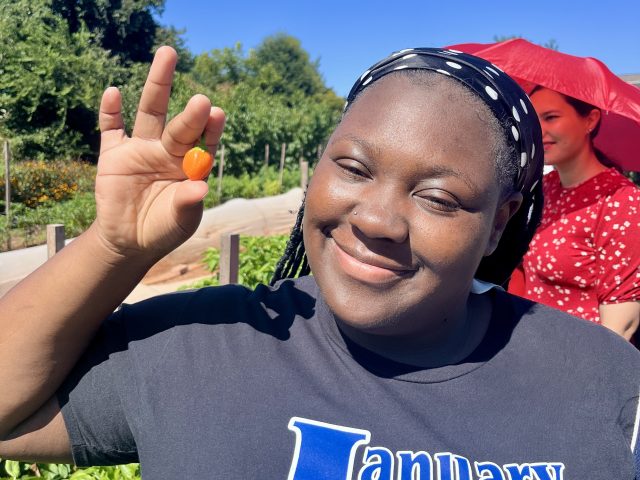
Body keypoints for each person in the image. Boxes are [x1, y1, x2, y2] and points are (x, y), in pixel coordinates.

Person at [1, 46, 640, 479]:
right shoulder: (206, 343)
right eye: (354, 168)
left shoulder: (600, 379)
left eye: (439, 197)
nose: (376, 220)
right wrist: (114, 247)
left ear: (498, 223)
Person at [509, 86, 640, 341]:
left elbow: (619, 328)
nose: (539, 130)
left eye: (551, 117)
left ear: (590, 120)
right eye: (535, 120)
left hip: (577, 359)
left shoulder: (621, 201)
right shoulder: (545, 188)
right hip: (530, 346)